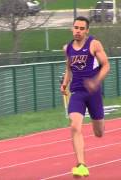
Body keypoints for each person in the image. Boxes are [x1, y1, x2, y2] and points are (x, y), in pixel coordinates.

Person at [60, 16, 110, 177]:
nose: (78, 31)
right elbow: (69, 68)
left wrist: (96, 81)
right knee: (74, 126)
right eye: (76, 27)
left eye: (82, 28)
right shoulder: (67, 48)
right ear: (72, 29)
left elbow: (106, 65)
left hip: (93, 93)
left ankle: (100, 124)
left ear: (87, 30)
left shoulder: (94, 44)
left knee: (99, 132)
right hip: (77, 93)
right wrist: (65, 83)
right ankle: (81, 165)